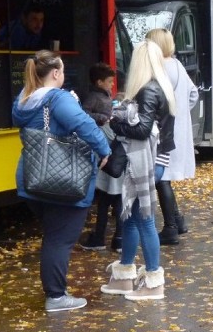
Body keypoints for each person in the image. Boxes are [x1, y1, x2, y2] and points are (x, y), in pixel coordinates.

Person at [11, 51, 110, 312]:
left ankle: (56, 292)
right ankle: (55, 296)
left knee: (53, 236)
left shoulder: (23, 99)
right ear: (55, 73)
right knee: (60, 239)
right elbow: (83, 124)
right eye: (62, 71)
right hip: (62, 181)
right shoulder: (57, 99)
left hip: (33, 178)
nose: (63, 75)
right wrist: (104, 149)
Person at [102, 40, 175, 301]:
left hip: (144, 162)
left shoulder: (147, 90)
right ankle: (125, 276)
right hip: (155, 160)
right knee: (131, 217)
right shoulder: (162, 87)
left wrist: (117, 124)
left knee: (143, 218)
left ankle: (153, 281)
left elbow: (142, 130)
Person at [146, 28, 199, 245]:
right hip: (178, 129)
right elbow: (194, 93)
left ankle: (170, 227)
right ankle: (177, 220)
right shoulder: (178, 65)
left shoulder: (157, 68)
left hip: (162, 130)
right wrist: (180, 111)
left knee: (162, 178)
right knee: (165, 177)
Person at [80, 62, 123, 252]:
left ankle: (101, 236)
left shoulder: (103, 96)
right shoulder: (93, 97)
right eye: (109, 81)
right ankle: (118, 238)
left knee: (107, 196)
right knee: (114, 195)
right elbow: (84, 113)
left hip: (108, 147)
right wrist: (101, 118)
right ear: (99, 82)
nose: (112, 85)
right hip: (106, 147)